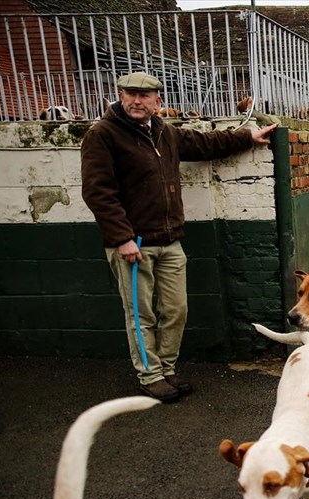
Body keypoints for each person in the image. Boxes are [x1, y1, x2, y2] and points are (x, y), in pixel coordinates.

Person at [81, 72, 277, 402]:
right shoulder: (103, 134)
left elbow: (203, 144)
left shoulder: (163, 131)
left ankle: (167, 370)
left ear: (158, 102)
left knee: (176, 310)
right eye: (130, 94)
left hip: (170, 240)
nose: (136, 100)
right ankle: (150, 375)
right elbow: (98, 192)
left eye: (145, 96)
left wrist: (247, 137)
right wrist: (123, 238)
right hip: (134, 244)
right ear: (120, 95)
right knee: (140, 315)